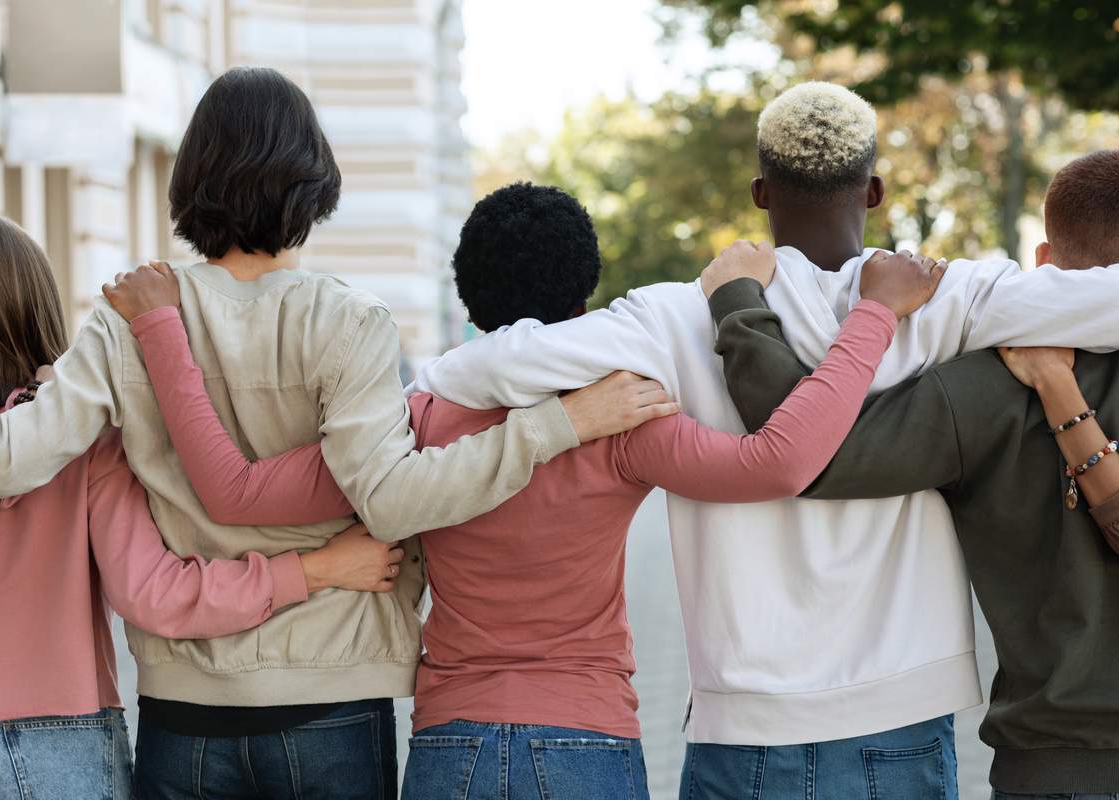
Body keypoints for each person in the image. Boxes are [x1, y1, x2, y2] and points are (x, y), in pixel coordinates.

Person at [0, 69, 650, 798]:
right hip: (332, 692)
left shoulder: (125, 318)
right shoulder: (349, 321)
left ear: (190, 180)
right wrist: (559, 424)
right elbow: (395, 502)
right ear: (314, 183)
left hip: (186, 700)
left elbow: (10, 461)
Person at [99, 182, 945, 800]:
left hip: (450, 745)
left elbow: (237, 491)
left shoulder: (411, 423)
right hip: (589, 739)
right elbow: (780, 462)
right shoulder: (622, 415)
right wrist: (872, 316)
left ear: (469, 299)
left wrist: (160, 331)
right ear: (583, 299)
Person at [400, 83, 1119, 799]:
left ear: (759, 192)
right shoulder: (949, 298)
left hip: (742, 722)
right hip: (901, 708)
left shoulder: (676, 316)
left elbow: (489, 363)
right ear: (873, 191)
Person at [0, 213, 403, 800]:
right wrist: (311, 570)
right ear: (40, 307)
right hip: (61, 743)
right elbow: (153, 594)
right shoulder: (88, 447)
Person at [709, 149, 1119, 800]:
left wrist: (739, 306)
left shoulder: (989, 385)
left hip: (1059, 766)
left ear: (1044, 264)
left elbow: (810, 453)